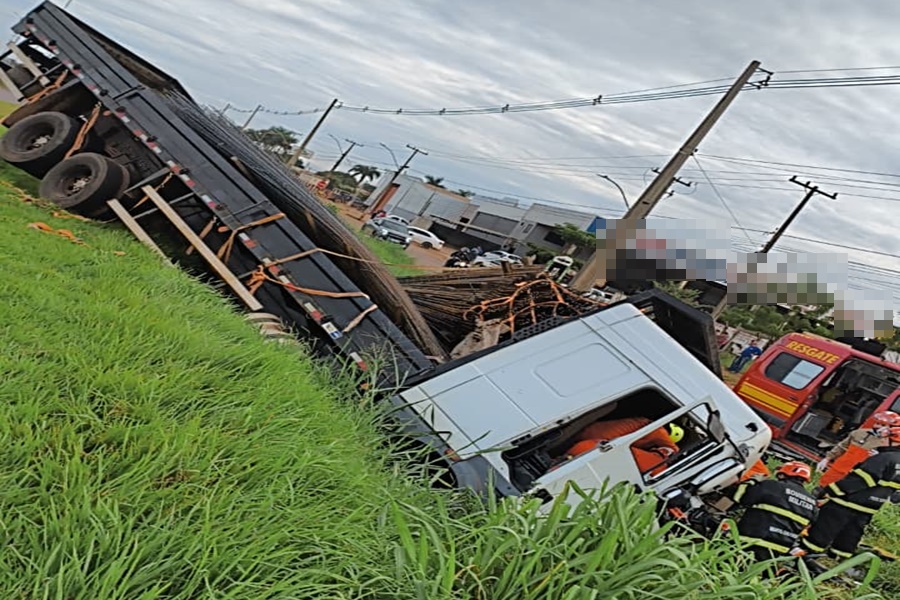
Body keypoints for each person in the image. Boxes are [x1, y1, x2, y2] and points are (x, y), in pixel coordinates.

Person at [799, 426, 900, 560]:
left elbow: (861, 479)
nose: (882, 441)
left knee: (825, 527)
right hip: (870, 506)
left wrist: (830, 491)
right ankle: (839, 556)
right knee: (851, 533)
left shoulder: (884, 458)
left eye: (886, 438)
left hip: (848, 501)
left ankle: (808, 551)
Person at [731, 461, 818, 562]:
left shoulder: (771, 486)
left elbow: (740, 498)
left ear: (781, 475)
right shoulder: (812, 502)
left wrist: (752, 481)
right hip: (779, 548)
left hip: (750, 539)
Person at [561, 416, 683, 476]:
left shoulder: (642, 426)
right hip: (587, 444)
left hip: (581, 437)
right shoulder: (660, 438)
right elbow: (658, 461)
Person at [816, 410, 900, 490]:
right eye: (877, 423)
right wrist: (827, 459)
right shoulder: (859, 433)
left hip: (857, 476)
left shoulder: (891, 443)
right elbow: (841, 447)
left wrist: (880, 456)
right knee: (822, 489)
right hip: (838, 470)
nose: (878, 427)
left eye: (883, 425)